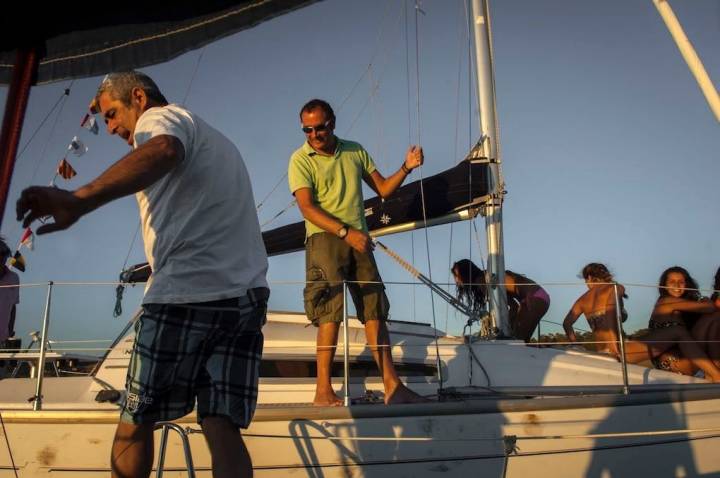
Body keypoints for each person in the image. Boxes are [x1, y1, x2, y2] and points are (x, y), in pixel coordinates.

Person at [16, 71, 268, 478]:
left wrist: (80, 199)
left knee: (134, 424)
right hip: (246, 296)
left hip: (184, 294)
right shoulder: (213, 137)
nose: (112, 126)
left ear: (138, 96)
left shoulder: (159, 121)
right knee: (221, 423)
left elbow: (165, 149)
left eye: (113, 113)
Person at [288, 99, 427, 406]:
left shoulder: (355, 150)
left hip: (359, 240)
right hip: (325, 239)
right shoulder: (300, 159)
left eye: (319, 128)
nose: (313, 135)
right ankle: (323, 391)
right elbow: (306, 207)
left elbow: (384, 189)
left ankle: (392, 386)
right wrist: (345, 232)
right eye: (307, 130)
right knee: (329, 314)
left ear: (332, 123)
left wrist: (406, 167)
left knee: (374, 310)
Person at [562, 263, 720, 381]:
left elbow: (567, 323)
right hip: (617, 348)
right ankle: (715, 374)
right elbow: (610, 312)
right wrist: (614, 344)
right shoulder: (614, 288)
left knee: (688, 329)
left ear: (588, 277)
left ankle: (713, 372)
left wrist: (575, 344)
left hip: (603, 350)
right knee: (679, 332)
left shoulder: (581, 300)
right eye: (672, 281)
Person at [451, 259, 549, 342]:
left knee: (517, 342)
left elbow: (512, 306)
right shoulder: (485, 277)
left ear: (466, 273)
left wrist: (503, 327)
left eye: (456, 275)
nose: (456, 280)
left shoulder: (482, 280)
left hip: (533, 298)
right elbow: (513, 306)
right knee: (519, 341)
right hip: (538, 297)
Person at [650, 266, 720, 375]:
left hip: (685, 360)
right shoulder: (665, 302)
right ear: (664, 285)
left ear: (687, 285)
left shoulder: (685, 307)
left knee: (713, 321)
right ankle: (716, 372)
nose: (677, 285)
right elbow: (710, 307)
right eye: (672, 282)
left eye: (681, 282)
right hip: (673, 364)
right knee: (714, 317)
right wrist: (704, 299)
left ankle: (714, 372)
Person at [0, 238, 19, 344]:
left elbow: (13, 306)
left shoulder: (13, 278)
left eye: (3, 256)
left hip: (2, 336)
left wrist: (10, 329)